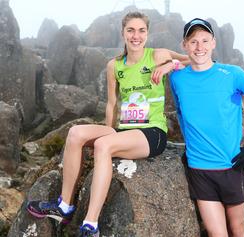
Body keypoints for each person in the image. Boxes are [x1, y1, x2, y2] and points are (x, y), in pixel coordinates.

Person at [26, 11, 188, 237]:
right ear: (123, 32)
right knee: (75, 133)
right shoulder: (114, 65)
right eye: (130, 30)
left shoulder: (158, 55)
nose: (136, 36)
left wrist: (171, 65)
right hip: (124, 128)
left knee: (104, 146)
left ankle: (91, 224)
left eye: (141, 30)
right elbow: (112, 103)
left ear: (147, 33)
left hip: (152, 132)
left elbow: (194, 57)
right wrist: (109, 129)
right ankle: (64, 206)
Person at [156, 18, 244, 237]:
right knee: (216, 233)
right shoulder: (177, 78)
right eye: (193, 41)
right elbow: (182, 115)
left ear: (213, 43)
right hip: (199, 169)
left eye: (204, 40)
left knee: (238, 229)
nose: (199, 47)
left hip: (230, 166)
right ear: (184, 45)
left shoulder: (233, 74)